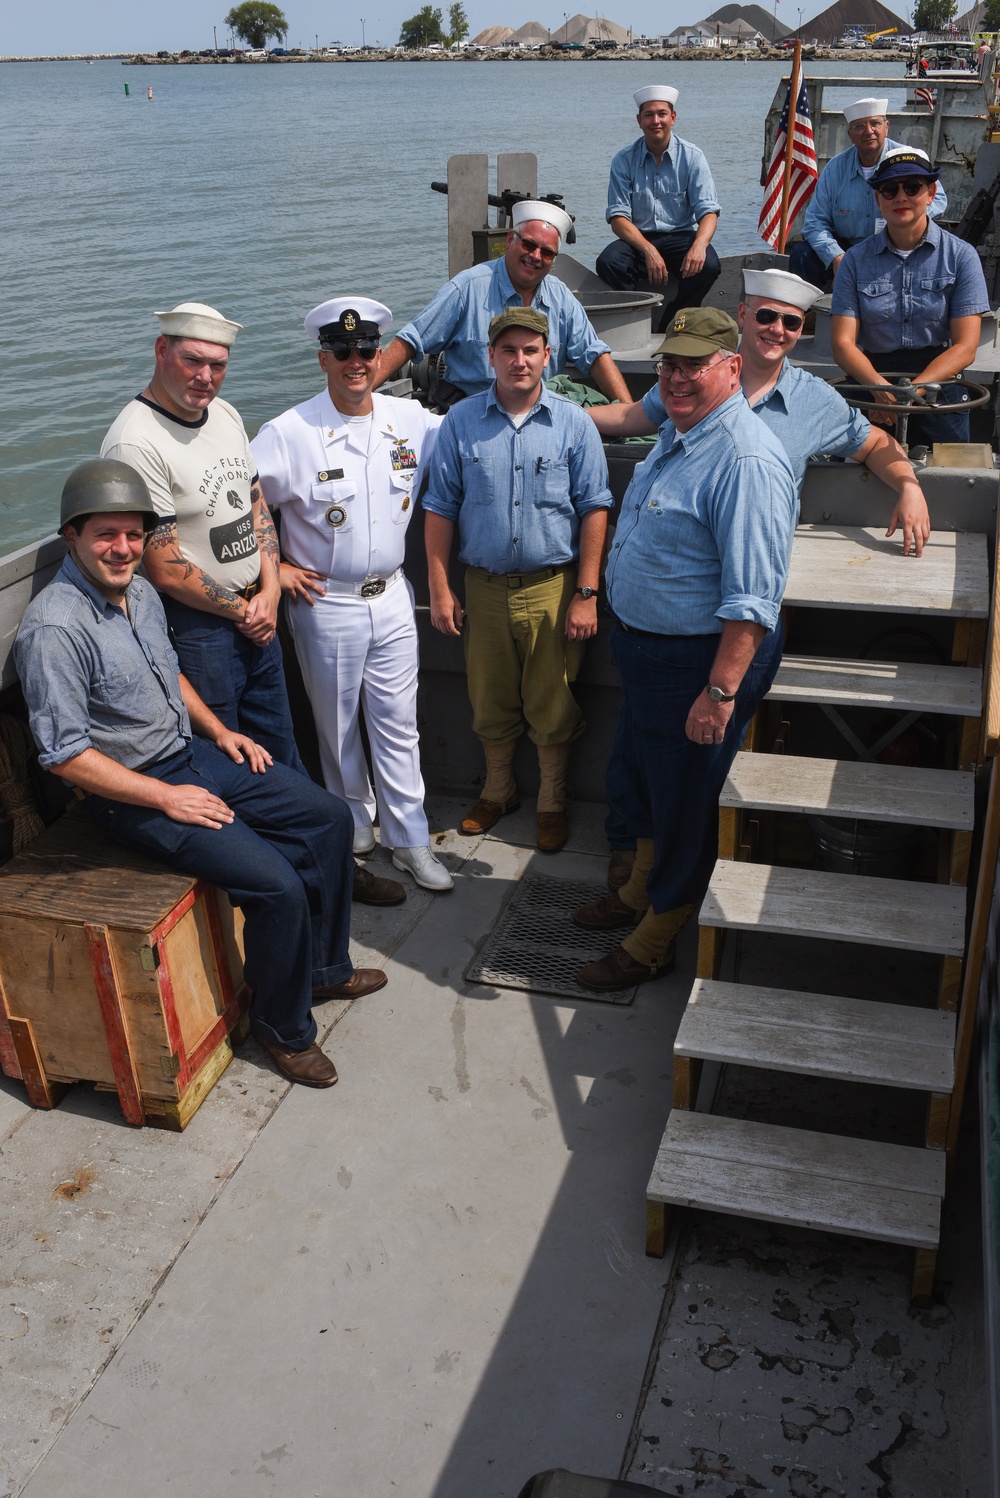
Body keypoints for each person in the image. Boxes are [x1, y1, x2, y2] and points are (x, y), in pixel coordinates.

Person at [14, 459, 388, 1089]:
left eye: (134, 535)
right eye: (106, 535)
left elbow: (166, 670)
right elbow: (64, 754)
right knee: (276, 886)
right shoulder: (54, 628)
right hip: (130, 792)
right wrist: (166, 798)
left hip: (192, 752)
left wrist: (220, 731)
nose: (124, 549)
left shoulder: (138, 591)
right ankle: (283, 1028)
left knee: (325, 820)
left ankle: (325, 970)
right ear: (72, 535)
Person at [590, 268, 932, 891]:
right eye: (766, 316)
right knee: (637, 755)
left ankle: (661, 903)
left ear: (801, 334)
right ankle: (635, 864)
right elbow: (629, 419)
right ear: (741, 317)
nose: (777, 330)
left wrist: (909, 486)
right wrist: (547, 414)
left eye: (791, 322)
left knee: (685, 777)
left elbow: (872, 439)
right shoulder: (687, 385)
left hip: (715, 628)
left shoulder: (794, 416)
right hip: (655, 628)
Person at [101, 300, 403, 908]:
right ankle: (263, 899)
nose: (205, 378)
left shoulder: (224, 415)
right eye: (192, 362)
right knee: (229, 767)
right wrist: (245, 609)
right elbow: (160, 562)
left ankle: (321, 876)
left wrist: (269, 584)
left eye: (218, 365)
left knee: (281, 757)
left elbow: (256, 504)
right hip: (201, 631)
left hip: (257, 614)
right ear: (162, 353)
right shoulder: (136, 441)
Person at [571, 309, 797, 991]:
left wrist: (720, 692)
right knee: (644, 780)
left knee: (685, 803)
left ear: (732, 367)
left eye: (694, 364)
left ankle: (655, 936)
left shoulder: (747, 461)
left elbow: (753, 599)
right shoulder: (679, 430)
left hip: (700, 663)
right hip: (651, 653)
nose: (676, 376)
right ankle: (638, 890)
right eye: (669, 362)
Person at [252, 297, 453, 893]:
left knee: (398, 723)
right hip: (325, 601)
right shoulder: (289, 432)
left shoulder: (410, 420)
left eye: (366, 350)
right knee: (335, 724)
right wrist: (276, 568)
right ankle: (354, 819)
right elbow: (242, 494)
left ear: (379, 356)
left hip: (392, 596)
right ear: (323, 359)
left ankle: (409, 838)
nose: (355, 362)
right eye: (342, 352)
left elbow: (475, 439)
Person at [422, 307, 613, 852]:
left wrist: (586, 593)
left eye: (531, 350)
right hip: (481, 587)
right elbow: (440, 506)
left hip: (554, 586)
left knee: (553, 700)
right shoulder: (460, 421)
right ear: (491, 357)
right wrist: (439, 587)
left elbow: (595, 508)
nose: (520, 360)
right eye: (508, 350)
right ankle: (499, 789)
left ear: (547, 356)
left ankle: (552, 799)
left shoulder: (574, 424)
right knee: (488, 696)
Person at [373, 200, 632, 405]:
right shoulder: (467, 289)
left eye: (547, 252)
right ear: (510, 240)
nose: (535, 256)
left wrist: (627, 411)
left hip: (538, 415)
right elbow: (411, 340)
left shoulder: (561, 298)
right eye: (528, 245)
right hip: (471, 415)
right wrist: (355, 397)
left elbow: (595, 355)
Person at [831, 147, 989, 448]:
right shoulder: (854, 260)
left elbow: (966, 347)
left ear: (930, 193)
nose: (900, 197)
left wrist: (911, 392)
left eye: (912, 187)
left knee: (945, 480)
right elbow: (842, 344)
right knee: (859, 482)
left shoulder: (961, 257)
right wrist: (879, 388)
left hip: (939, 383)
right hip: (872, 377)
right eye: (889, 189)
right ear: (878, 200)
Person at [790, 98, 948, 292]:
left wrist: (905, 219)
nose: (868, 131)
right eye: (859, 126)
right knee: (802, 255)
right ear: (850, 134)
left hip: (895, 242)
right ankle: (805, 316)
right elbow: (814, 222)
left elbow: (939, 199)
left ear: (887, 126)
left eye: (875, 123)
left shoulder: (908, 159)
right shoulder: (835, 169)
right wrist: (836, 256)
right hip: (848, 247)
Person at [596, 85, 721, 313]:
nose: (656, 121)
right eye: (649, 115)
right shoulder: (623, 160)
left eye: (662, 114)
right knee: (609, 262)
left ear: (673, 118)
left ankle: (674, 318)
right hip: (639, 239)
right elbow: (618, 218)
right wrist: (649, 250)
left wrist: (699, 247)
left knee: (709, 265)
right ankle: (638, 314)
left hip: (680, 237)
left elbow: (708, 212)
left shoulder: (693, 157)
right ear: (639, 120)